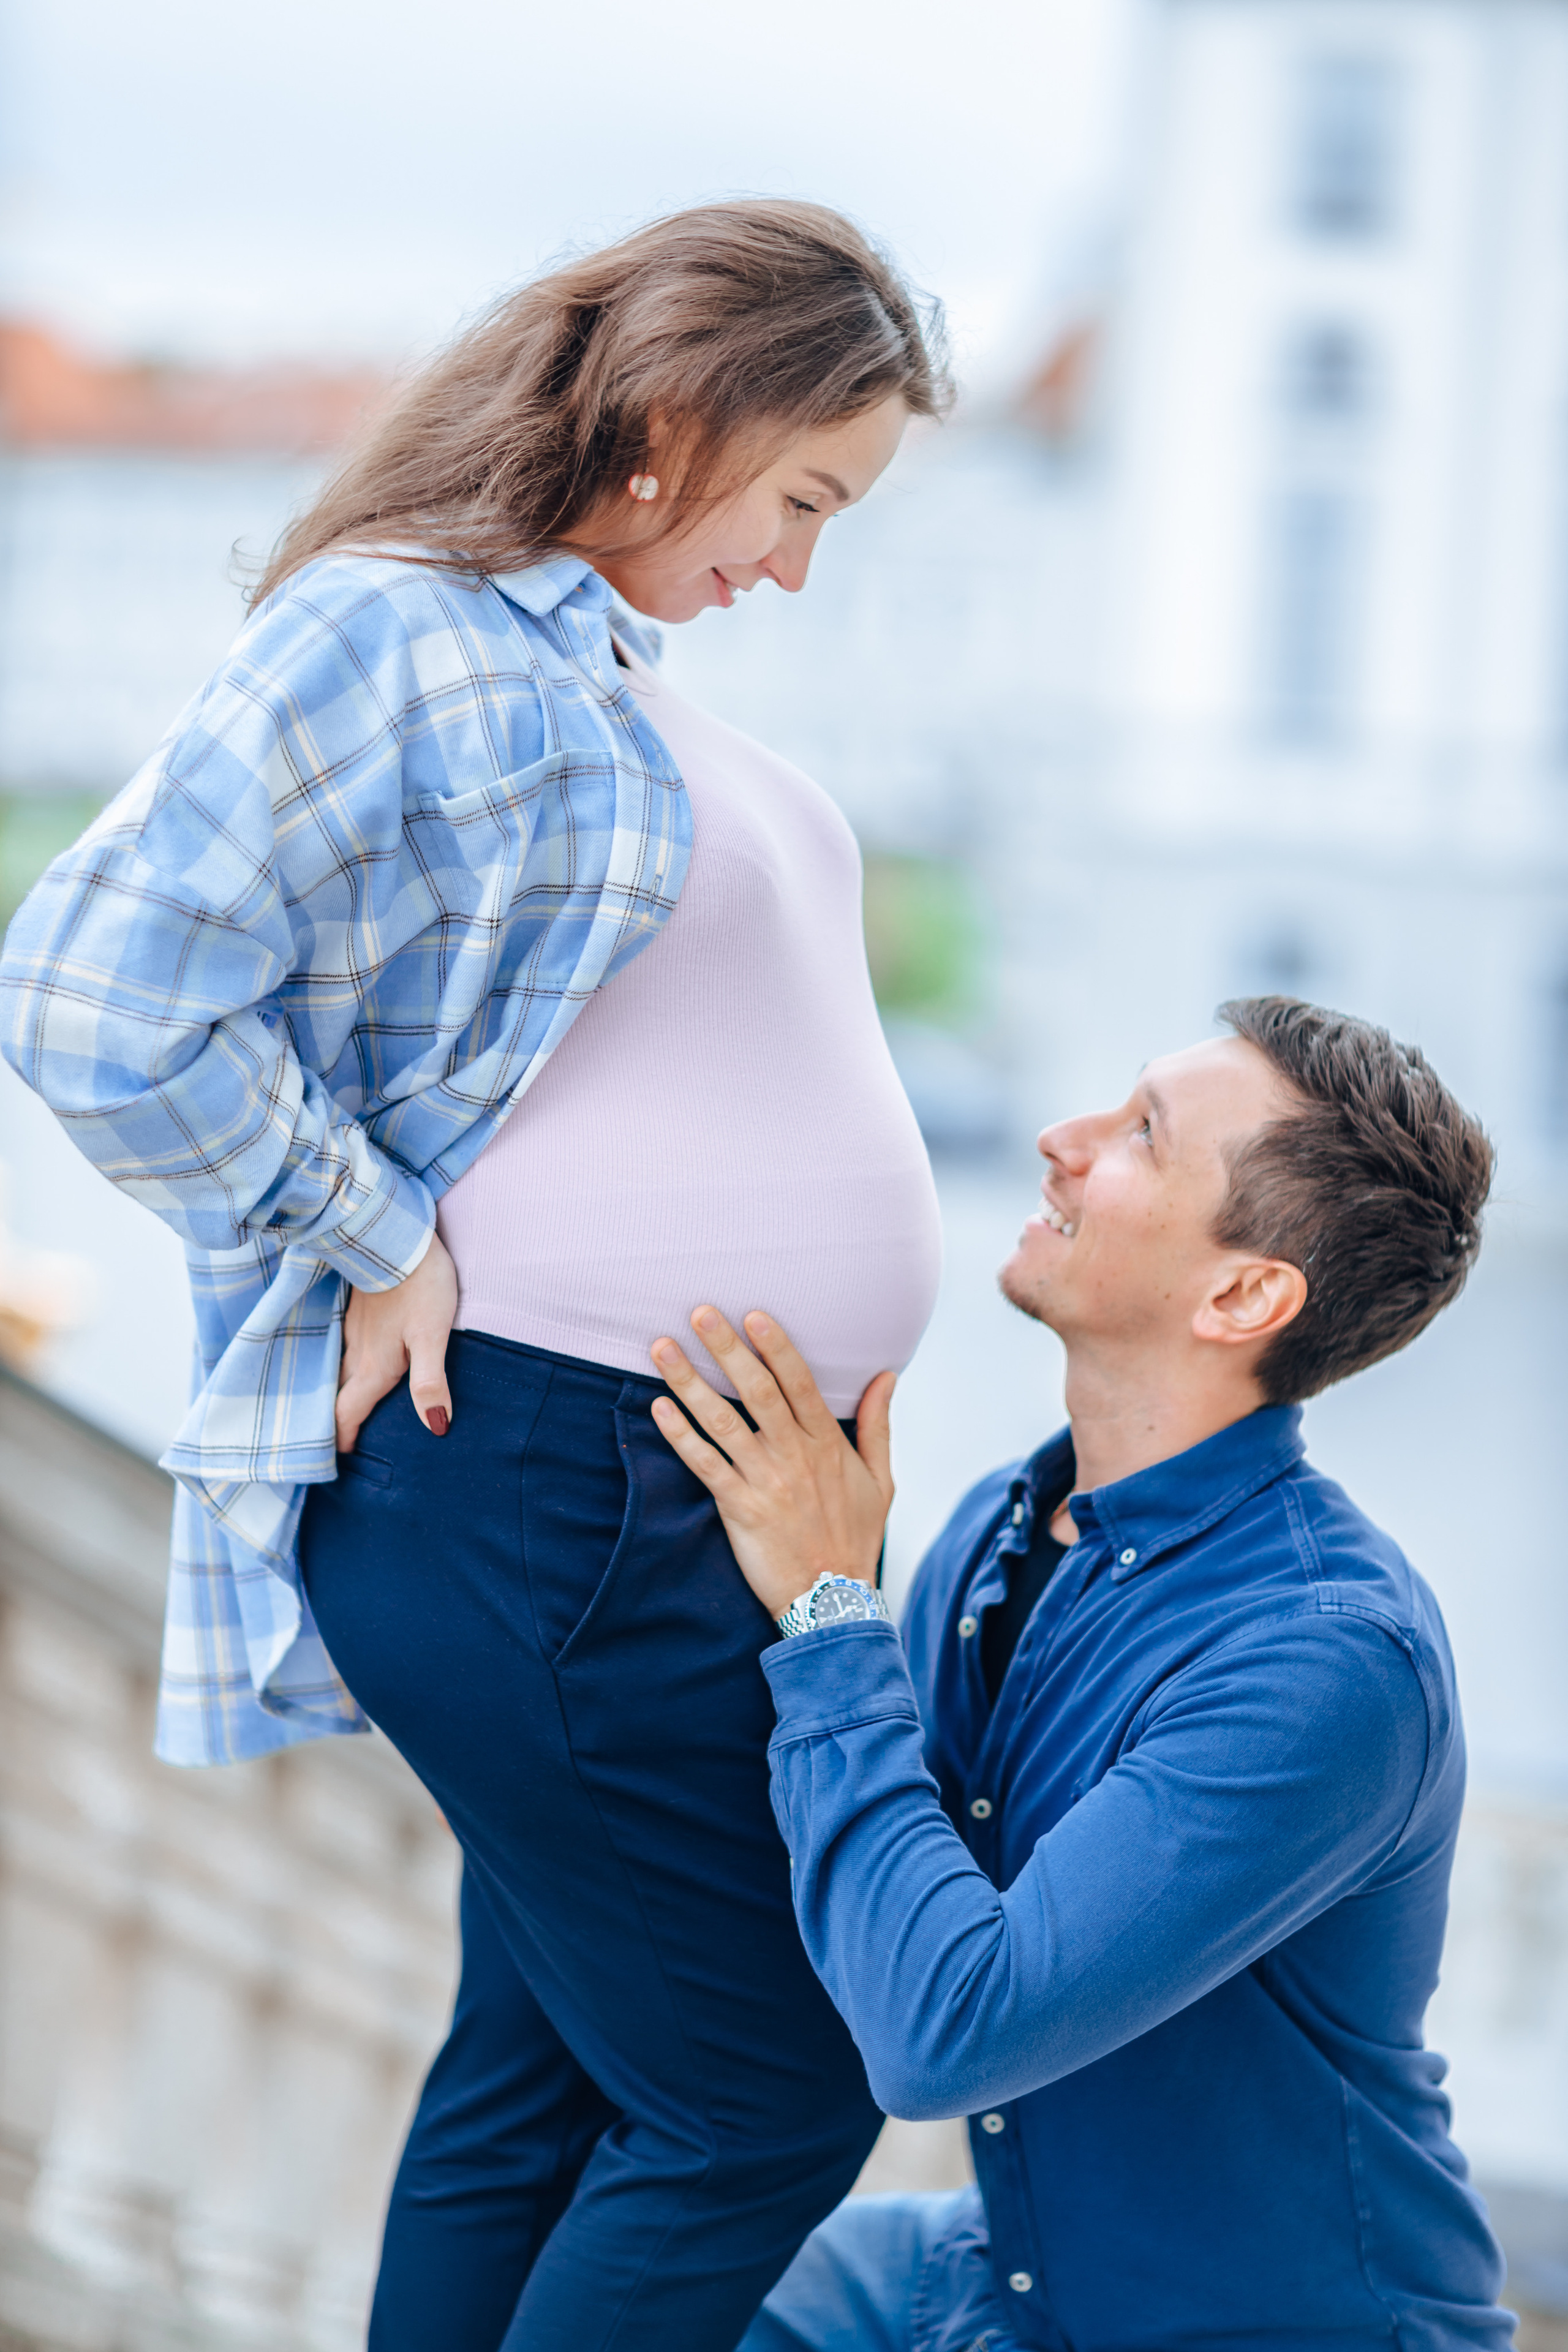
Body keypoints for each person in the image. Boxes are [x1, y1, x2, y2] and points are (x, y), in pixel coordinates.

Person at [0, 202, 952, 2350]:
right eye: (803, 498)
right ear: (679, 417)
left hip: (658, 1505)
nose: (799, 567)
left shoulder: (588, 657)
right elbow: (89, 995)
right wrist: (378, 1227)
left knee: (538, 2086)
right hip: (540, 1487)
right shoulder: (398, 630)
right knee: (767, 2097)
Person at [649, 995, 1516, 2352]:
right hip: (1008, 2276)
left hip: (1277, 2331)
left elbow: (949, 2029)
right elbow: (879, 1893)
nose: (1058, 1138)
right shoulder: (1007, 1525)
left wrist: (829, 1612)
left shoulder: (1329, 1660)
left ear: (1241, 1295)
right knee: (627, 2282)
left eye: (1137, 1137)